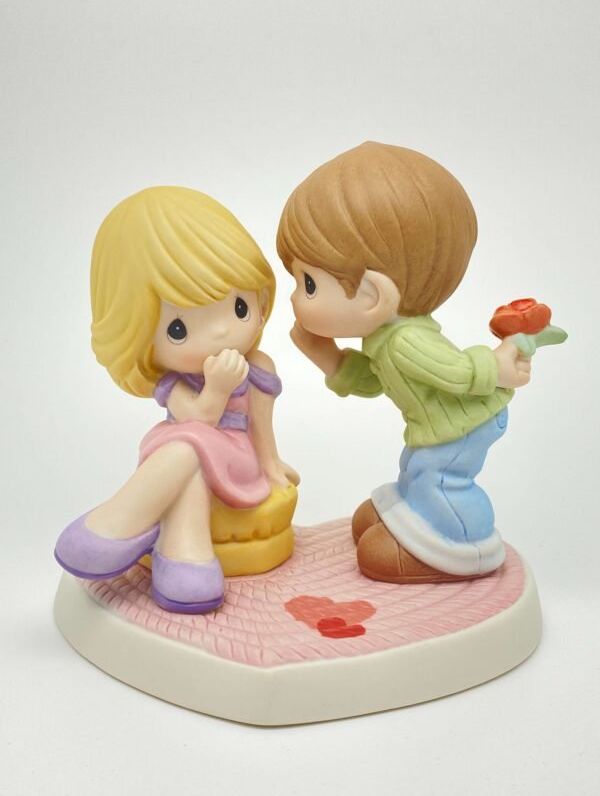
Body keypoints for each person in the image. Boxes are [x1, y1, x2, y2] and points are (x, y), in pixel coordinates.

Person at [277, 142, 530, 584]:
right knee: (416, 464)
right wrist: (329, 357)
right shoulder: (384, 338)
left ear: (371, 295)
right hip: (435, 425)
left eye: (309, 284)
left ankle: (464, 542)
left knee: (442, 477)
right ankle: (410, 507)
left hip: (463, 422)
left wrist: (497, 367)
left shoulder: (406, 342)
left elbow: (456, 372)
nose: (296, 298)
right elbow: (375, 382)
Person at [55, 187, 298, 612]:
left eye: (238, 307)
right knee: (189, 451)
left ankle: (119, 521)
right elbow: (198, 417)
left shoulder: (258, 367)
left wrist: (272, 466)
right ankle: (186, 554)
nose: (220, 332)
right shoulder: (175, 381)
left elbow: (261, 426)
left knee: (187, 447)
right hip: (183, 447)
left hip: (236, 457)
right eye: (179, 329)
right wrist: (217, 388)